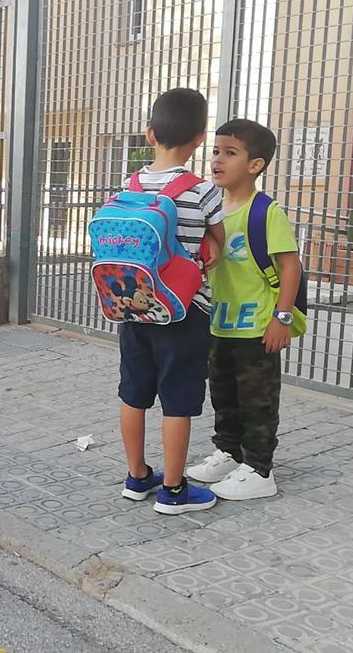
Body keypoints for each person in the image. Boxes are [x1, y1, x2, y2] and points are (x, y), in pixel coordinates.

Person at [115, 88, 226, 515]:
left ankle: (137, 477)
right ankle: (175, 491)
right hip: (184, 310)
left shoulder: (131, 185)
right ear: (199, 138)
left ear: (149, 134)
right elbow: (218, 244)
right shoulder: (201, 191)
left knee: (133, 393)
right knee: (177, 399)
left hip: (133, 304)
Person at [186, 119, 301, 501]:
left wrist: (280, 318)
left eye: (230, 153)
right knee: (223, 393)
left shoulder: (265, 212)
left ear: (255, 164)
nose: (218, 159)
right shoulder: (212, 209)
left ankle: (259, 469)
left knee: (257, 399)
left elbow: (290, 267)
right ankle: (229, 452)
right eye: (216, 151)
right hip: (220, 323)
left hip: (257, 327)